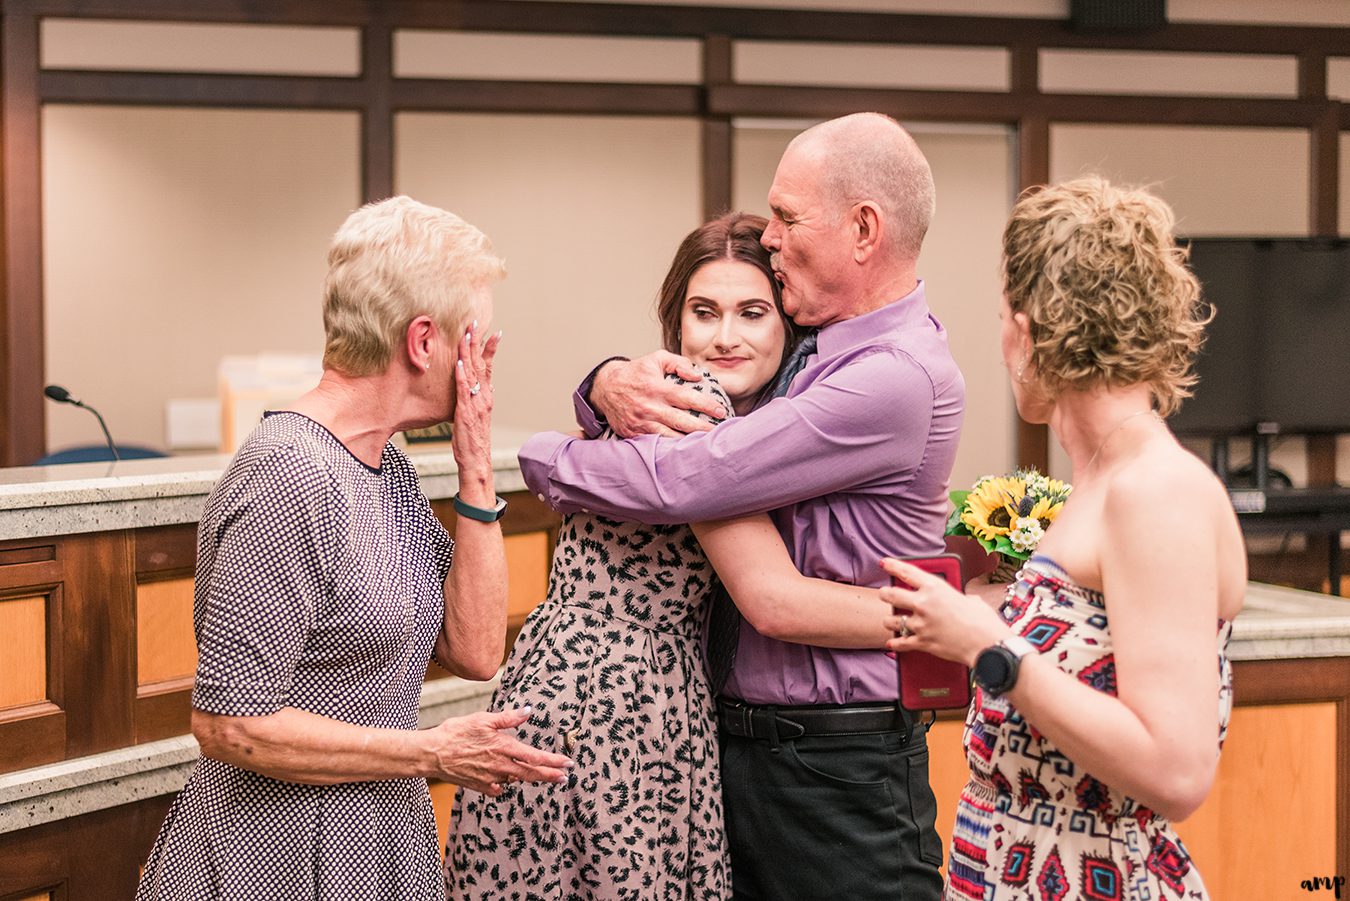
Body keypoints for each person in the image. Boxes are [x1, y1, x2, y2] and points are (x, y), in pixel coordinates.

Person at [519, 113, 962, 900]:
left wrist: (551, 456)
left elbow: (697, 484)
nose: (775, 240)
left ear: (864, 230)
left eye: (788, 218)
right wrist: (607, 381)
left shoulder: (890, 375)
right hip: (724, 745)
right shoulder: (818, 353)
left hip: (836, 767)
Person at [446, 211, 900, 901]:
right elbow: (768, 594)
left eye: (752, 312)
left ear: (787, 321)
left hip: (631, 682)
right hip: (609, 691)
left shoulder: (727, 413)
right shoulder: (697, 403)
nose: (724, 336)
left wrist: (585, 401)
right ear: (676, 320)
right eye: (704, 311)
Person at [134, 196, 572, 901]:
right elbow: (229, 722)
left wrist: (476, 469)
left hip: (372, 834)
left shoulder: (388, 469)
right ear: (424, 342)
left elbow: (475, 649)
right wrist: (432, 749)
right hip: (268, 850)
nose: (482, 368)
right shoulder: (289, 472)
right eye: (476, 342)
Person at [881, 176, 1244, 900]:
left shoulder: (1155, 491)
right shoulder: (1101, 480)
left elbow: (1176, 772)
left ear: (1026, 329)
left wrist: (989, 647)